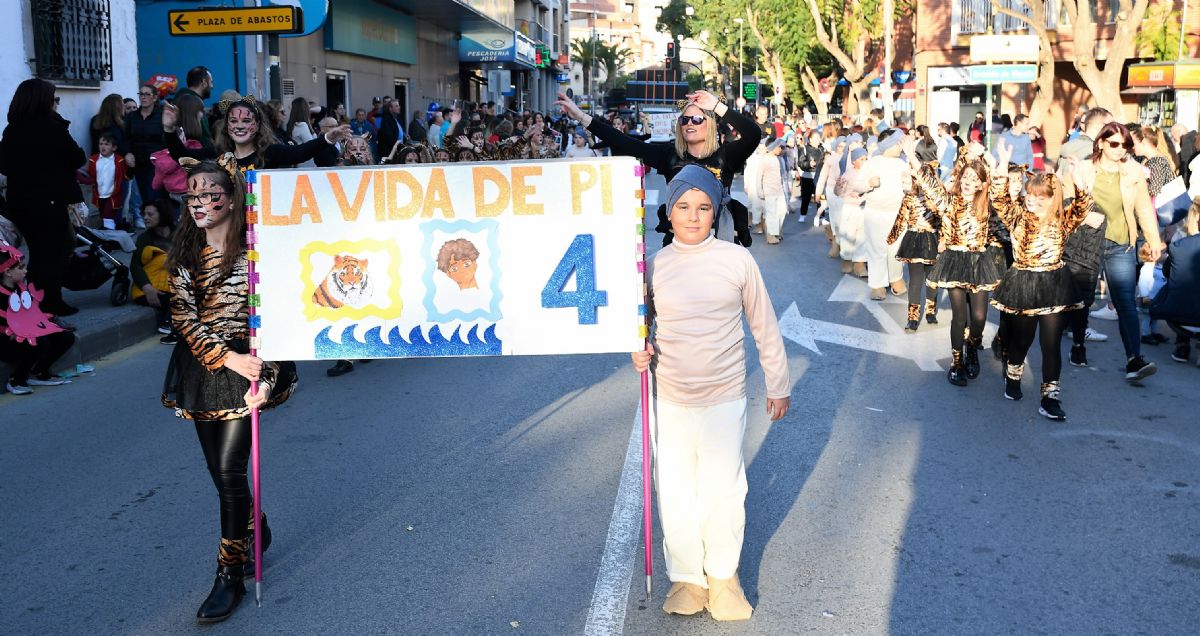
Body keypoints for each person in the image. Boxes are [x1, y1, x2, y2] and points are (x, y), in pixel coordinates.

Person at [631, 165, 789, 622]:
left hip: (724, 395)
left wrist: (778, 383)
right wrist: (636, 351)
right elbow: (639, 327)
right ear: (669, 211)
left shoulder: (737, 260)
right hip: (670, 396)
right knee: (676, 491)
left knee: (723, 490)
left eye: (703, 207)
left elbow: (764, 324)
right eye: (683, 207)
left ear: (715, 210)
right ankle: (686, 577)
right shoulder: (655, 265)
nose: (694, 216)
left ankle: (723, 577)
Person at [161, 156, 296, 623]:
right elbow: (183, 319)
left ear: (232, 197)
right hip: (205, 369)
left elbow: (277, 319)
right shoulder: (181, 255)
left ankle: (228, 576)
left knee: (230, 471)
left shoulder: (257, 251)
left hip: (252, 365)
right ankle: (255, 526)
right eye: (191, 196)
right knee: (222, 477)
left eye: (209, 195)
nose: (199, 203)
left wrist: (265, 376)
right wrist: (227, 359)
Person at [556, 90, 760, 247]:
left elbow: (753, 134)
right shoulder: (669, 155)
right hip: (678, 243)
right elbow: (622, 141)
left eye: (697, 119)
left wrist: (716, 105)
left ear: (710, 125)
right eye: (684, 119)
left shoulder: (727, 155)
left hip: (718, 241)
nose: (690, 123)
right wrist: (580, 116)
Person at [990, 148, 1100, 420]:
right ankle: (1013, 376)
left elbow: (1084, 206)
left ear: (1052, 199)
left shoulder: (1062, 219)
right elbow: (1000, 199)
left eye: (1040, 196)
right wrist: (1003, 165)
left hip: (1054, 284)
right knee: (1022, 340)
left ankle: (1050, 397)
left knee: (1051, 344)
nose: (1032, 200)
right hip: (1024, 282)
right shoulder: (1017, 217)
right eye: (1030, 194)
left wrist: (1076, 177)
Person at [1073, 122, 1166, 382]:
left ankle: (1134, 360)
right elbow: (1066, 205)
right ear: (1101, 143)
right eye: (1114, 143)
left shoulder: (1133, 171)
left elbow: (1143, 208)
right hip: (1088, 242)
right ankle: (1078, 345)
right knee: (1083, 299)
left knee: (1125, 302)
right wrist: (1082, 215)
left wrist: (1154, 240)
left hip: (1120, 243)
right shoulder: (1083, 168)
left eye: (1124, 145)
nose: (1119, 149)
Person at [910, 143, 1003, 385]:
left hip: (979, 261)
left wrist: (995, 161)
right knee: (959, 316)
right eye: (966, 177)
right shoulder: (950, 202)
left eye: (975, 179)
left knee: (980, 317)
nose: (968, 181)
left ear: (983, 184)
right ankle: (956, 362)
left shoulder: (987, 205)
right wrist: (911, 156)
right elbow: (931, 188)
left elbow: (1004, 206)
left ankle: (972, 347)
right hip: (954, 260)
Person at [0, 78, 86, 316]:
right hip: (49, 201)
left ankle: (38, 301)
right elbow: (77, 157)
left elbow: (4, 164)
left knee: (39, 253)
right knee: (52, 254)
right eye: (53, 97)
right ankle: (48, 302)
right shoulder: (51, 126)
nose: (55, 102)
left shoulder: (13, 128)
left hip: (21, 202)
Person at [163, 94, 350, 173]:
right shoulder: (218, 154)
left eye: (246, 121)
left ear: (257, 125)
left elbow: (299, 152)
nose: (240, 126)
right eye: (234, 121)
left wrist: (327, 138)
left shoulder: (270, 152)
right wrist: (169, 128)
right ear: (226, 126)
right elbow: (182, 156)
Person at [0, 242, 77, 395]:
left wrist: (48, 323)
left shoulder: (21, 287)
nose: (26, 271)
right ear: (8, 271)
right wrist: (14, 332)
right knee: (39, 343)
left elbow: (31, 312)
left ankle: (38, 372)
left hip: (25, 331)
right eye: (21, 268)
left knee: (66, 337)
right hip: (5, 339)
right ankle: (16, 380)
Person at [888, 142, 942, 330]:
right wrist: (890, 239)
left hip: (932, 240)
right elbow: (900, 219)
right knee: (916, 280)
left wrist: (945, 240)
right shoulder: (908, 198)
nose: (906, 184)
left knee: (932, 279)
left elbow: (943, 218)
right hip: (913, 240)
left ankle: (930, 311)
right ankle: (912, 316)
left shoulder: (934, 199)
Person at [856, 131, 911, 298]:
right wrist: (868, 183)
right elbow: (858, 186)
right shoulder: (871, 163)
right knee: (876, 249)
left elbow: (909, 187)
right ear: (889, 144)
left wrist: (907, 182)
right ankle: (878, 284)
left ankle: (895, 279)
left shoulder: (902, 163)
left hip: (897, 213)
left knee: (896, 248)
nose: (900, 147)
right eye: (898, 143)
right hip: (875, 213)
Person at [1151, 201, 1200, 364]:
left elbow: (1167, 272)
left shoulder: (1180, 237)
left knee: (1178, 286)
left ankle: (1182, 344)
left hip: (1177, 313)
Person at [131, 199, 177, 343]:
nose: (145, 217)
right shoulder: (144, 238)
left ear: (162, 215)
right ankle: (170, 326)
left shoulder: (180, 234)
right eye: (144, 214)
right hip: (152, 286)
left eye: (150, 214)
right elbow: (135, 266)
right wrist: (147, 288)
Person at [125, 84, 167, 227]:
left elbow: (168, 139)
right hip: (138, 164)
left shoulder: (161, 116)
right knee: (143, 196)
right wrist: (127, 153)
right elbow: (126, 138)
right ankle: (151, 226)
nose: (143, 97)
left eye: (146, 94)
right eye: (141, 94)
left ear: (155, 97)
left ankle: (159, 226)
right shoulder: (132, 117)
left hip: (156, 165)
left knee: (153, 197)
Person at [76, 132, 131, 230]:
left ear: (114, 147)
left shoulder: (119, 161)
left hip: (113, 194)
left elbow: (124, 177)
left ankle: (111, 235)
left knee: (108, 216)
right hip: (99, 194)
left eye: (106, 144)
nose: (103, 146)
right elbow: (91, 175)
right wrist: (82, 177)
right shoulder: (94, 160)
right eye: (101, 144)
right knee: (104, 215)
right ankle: (108, 233)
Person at [174, 66, 214, 142]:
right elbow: (204, 136)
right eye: (211, 82)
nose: (212, 86)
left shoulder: (179, 99)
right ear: (203, 82)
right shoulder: (194, 104)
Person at [796, 131, 824, 219]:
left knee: (820, 196)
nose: (818, 140)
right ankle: (802, 215)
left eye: (819, 138)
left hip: (820, 175)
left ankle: (821, 216)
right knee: (806, 197)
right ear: (810, 139)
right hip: (808, 176)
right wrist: (809, 164)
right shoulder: (804, 148)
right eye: (816, 138)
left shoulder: (822, 149)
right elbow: (800, 163)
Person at [286, 98, 317, 168]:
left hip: (300, 162)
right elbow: (311, 144)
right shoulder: (302, 125)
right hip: (306, 163)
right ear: (305, 110)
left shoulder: (293, 125)